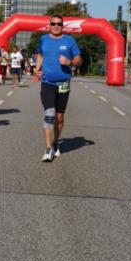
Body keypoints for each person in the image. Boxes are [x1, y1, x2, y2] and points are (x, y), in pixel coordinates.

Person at [35, 14, 82, 162]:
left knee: (59, 118)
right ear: (49, 25)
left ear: (63, 26)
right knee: (50, 115)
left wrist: (69, 62)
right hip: (47, 82)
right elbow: (40, 55)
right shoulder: (43, 39)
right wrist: (37, 69)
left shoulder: (69, 41)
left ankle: (55, 142)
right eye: (53, 23)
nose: (56, 26)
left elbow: (79, 60)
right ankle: (48, 148)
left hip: (63, 84)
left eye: (59, 24)